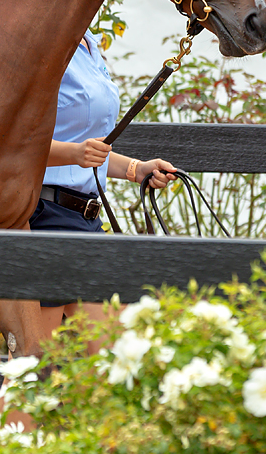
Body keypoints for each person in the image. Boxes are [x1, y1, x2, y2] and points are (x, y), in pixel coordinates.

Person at [31, 30, 176, 351]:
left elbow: (88, 147)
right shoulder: (42, 41)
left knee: (116, 354)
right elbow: (11, 144)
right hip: (47, 218)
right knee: (34, 363)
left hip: (84, 220)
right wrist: (73, 153)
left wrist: (136, 169)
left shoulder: (89, 43)